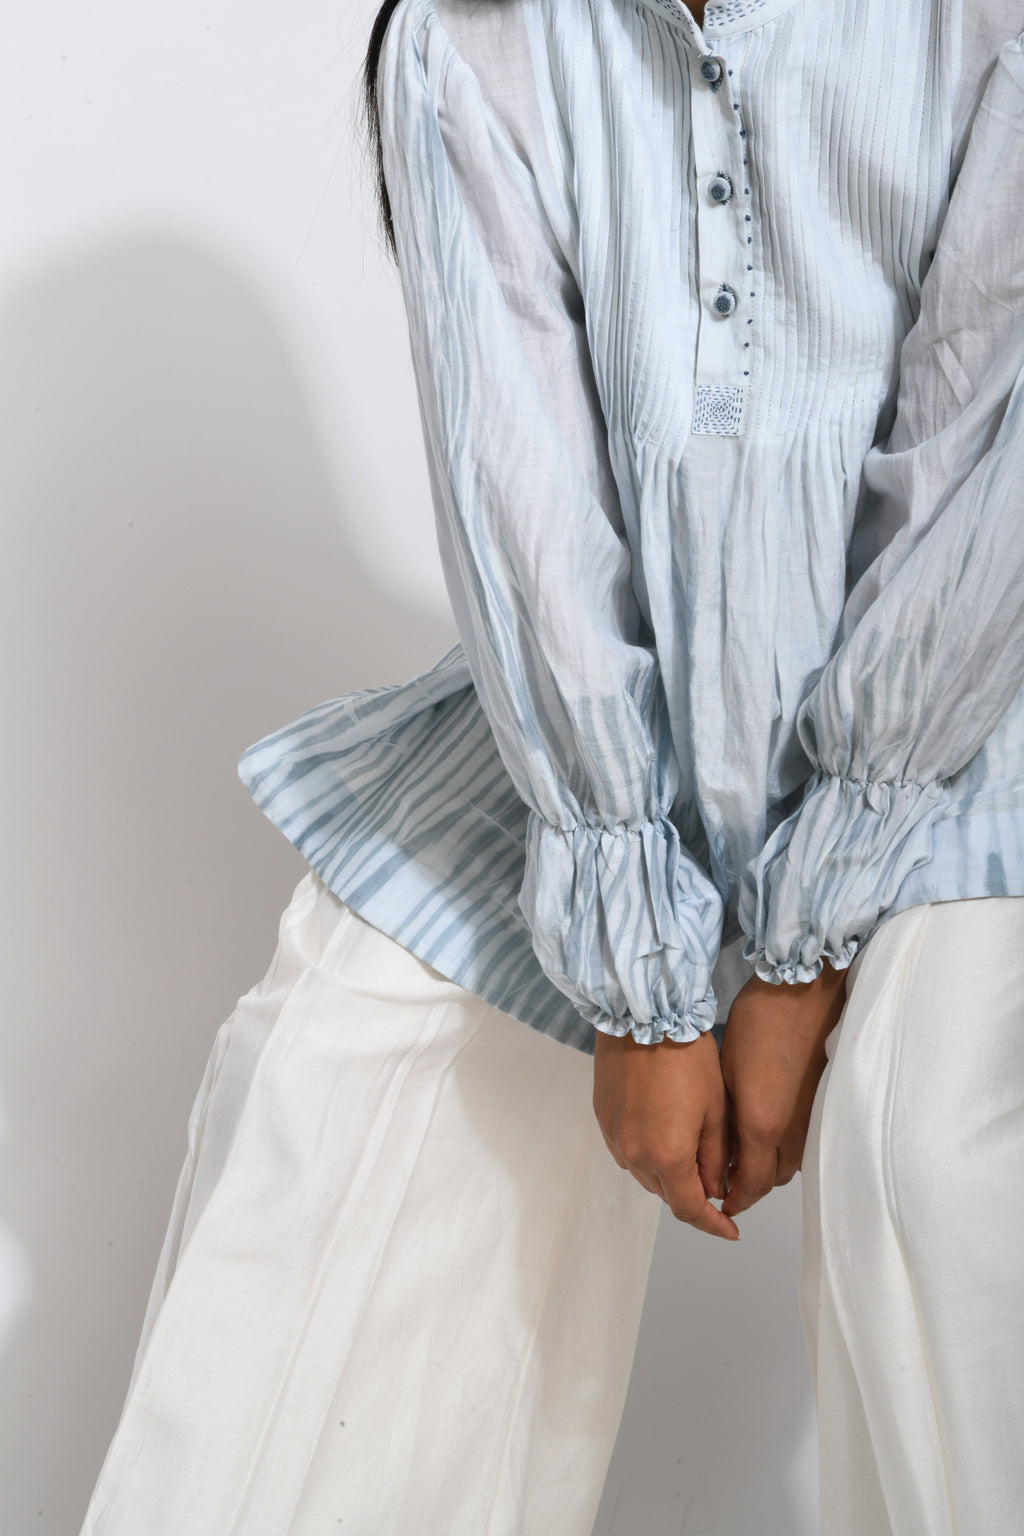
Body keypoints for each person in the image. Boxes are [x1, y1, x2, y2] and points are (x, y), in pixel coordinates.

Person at [80, 0, 1024, 1532]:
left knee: (933, 1164)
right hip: (614, 721)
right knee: (338, 1058)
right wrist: (643, 987)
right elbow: (523, 500)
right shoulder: (470, 41)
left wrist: (800, 956)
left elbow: (990, 468)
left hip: (962, 709)